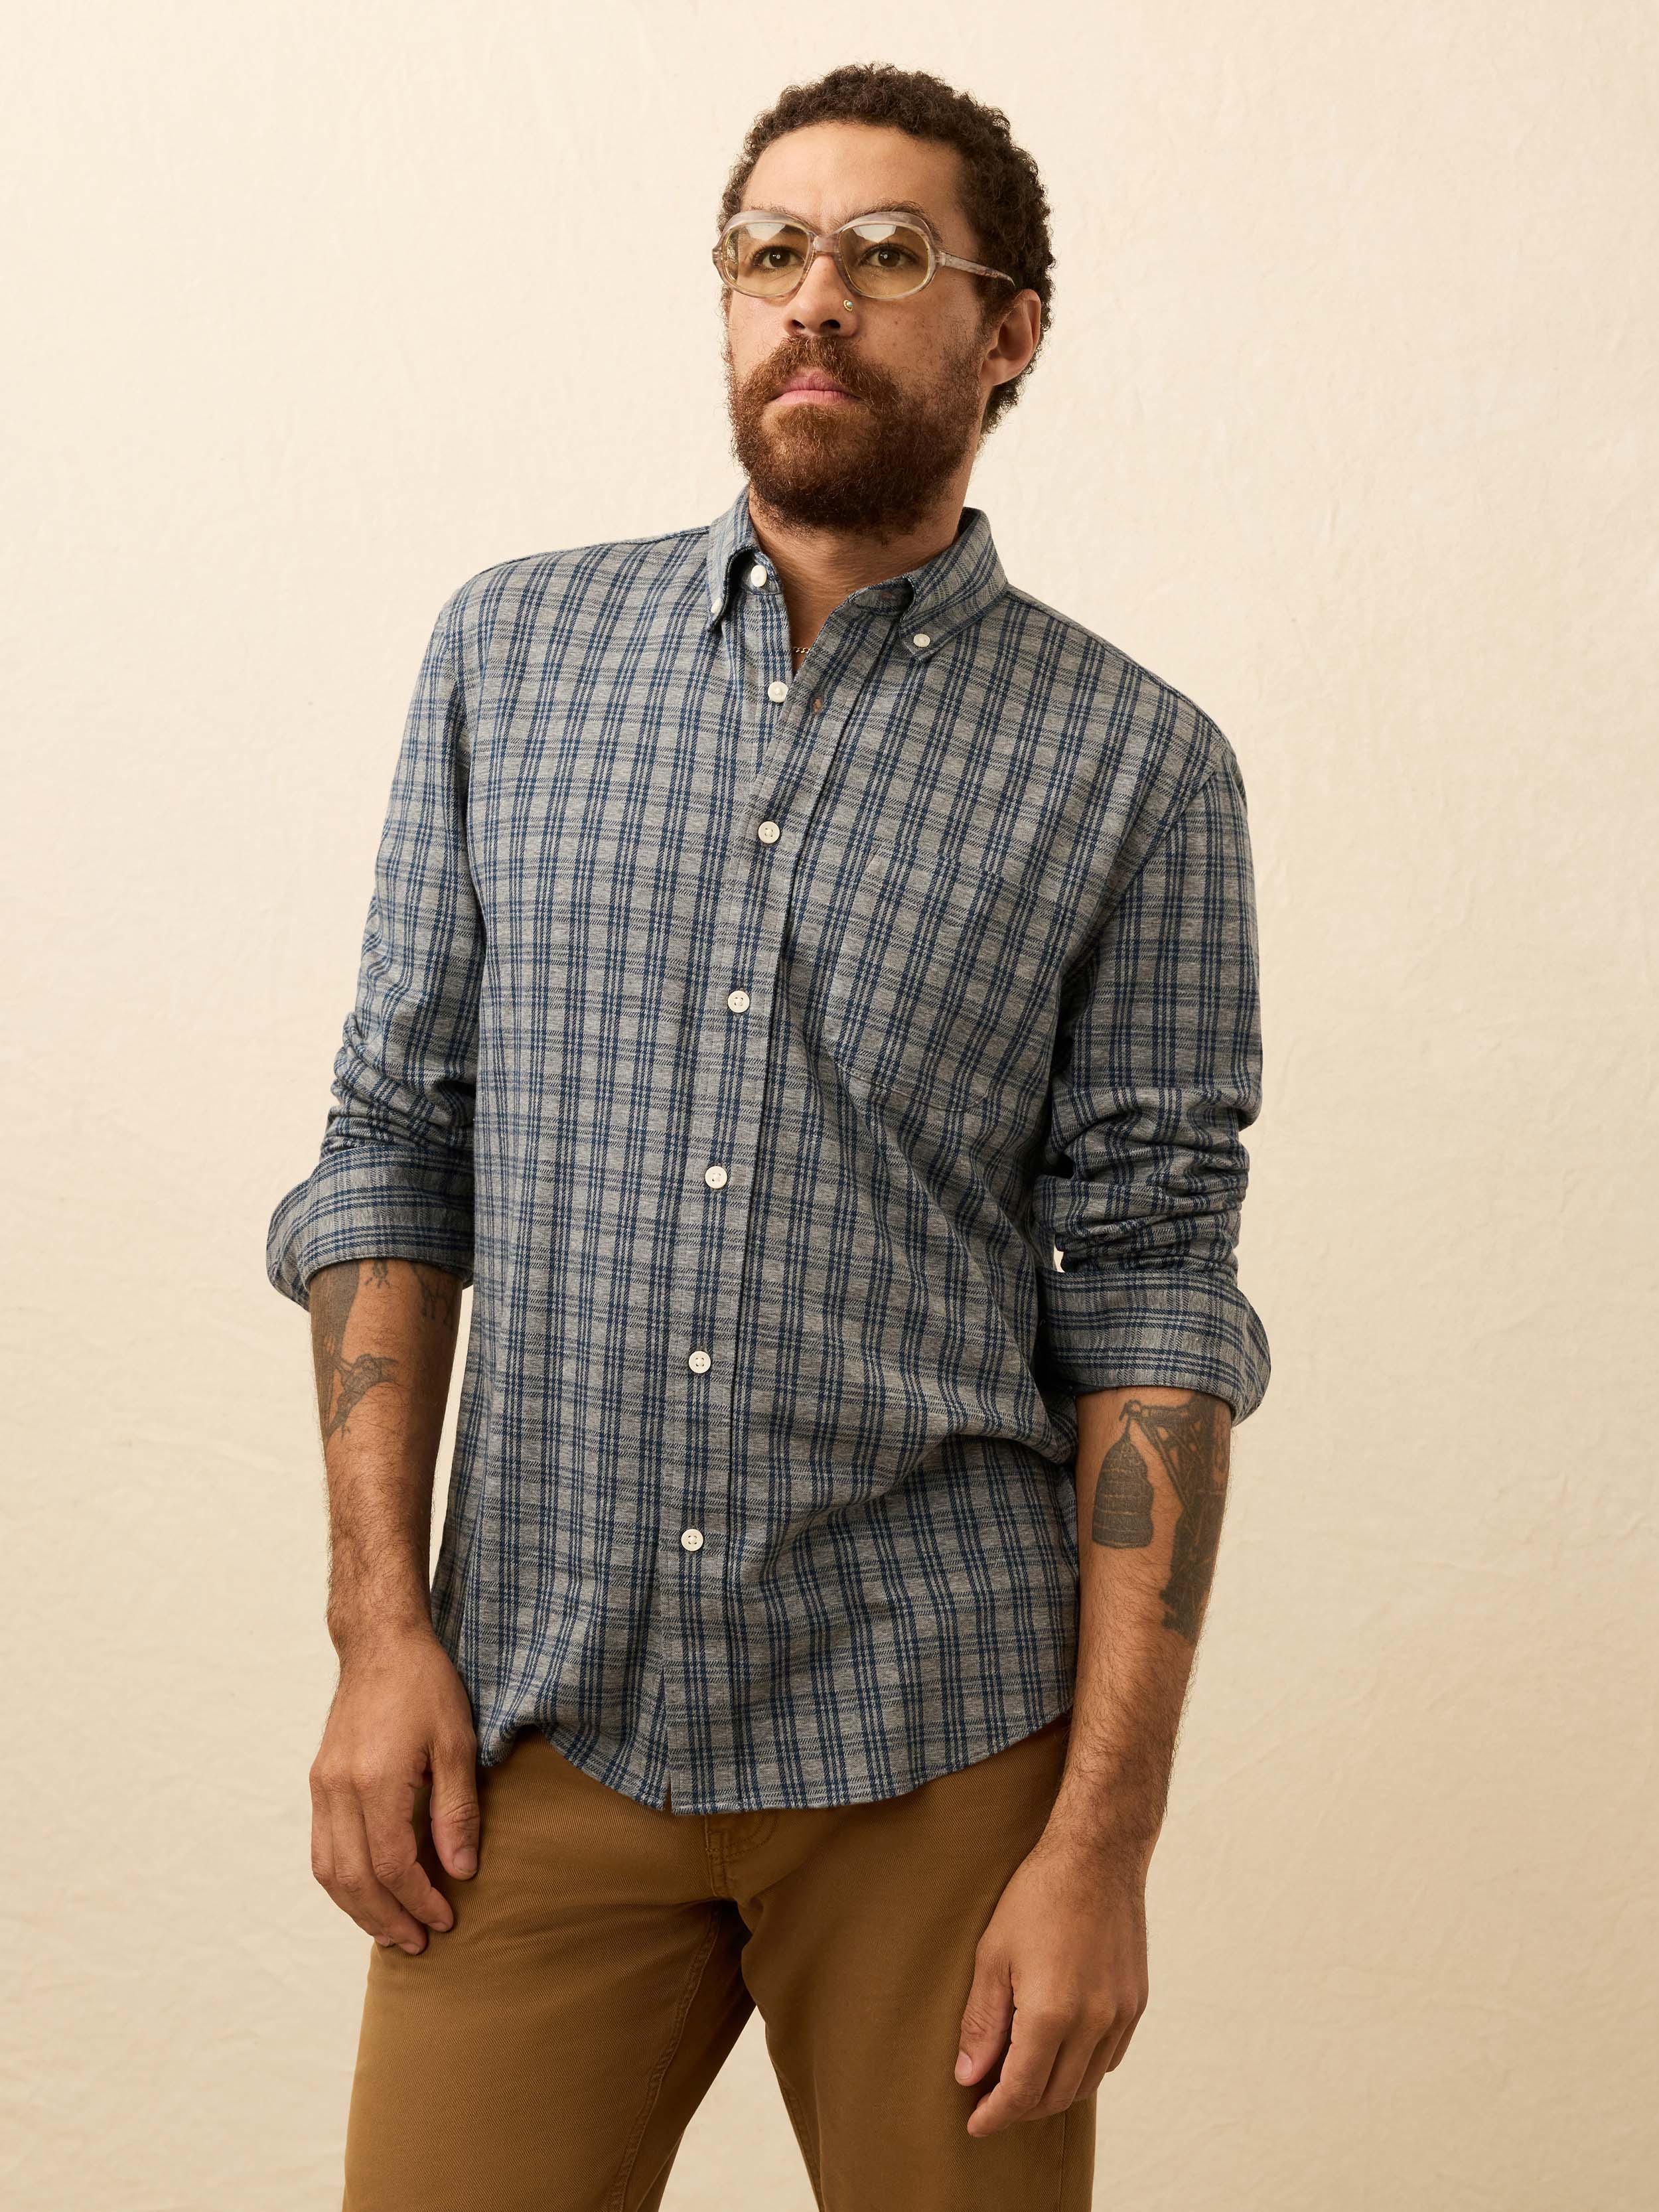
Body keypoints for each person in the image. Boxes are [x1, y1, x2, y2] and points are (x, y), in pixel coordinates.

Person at [266, 59, 1271, 2212]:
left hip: (937, 1749)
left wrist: (1097, 1849)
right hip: (537, 1722)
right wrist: (378, 1634)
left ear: (1008, 332)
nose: (819, 296)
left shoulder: (1137, 768)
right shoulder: (509, 656)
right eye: (770, 250)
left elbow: (1156, 1303)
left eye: (891, 254)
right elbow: (388, 1145)